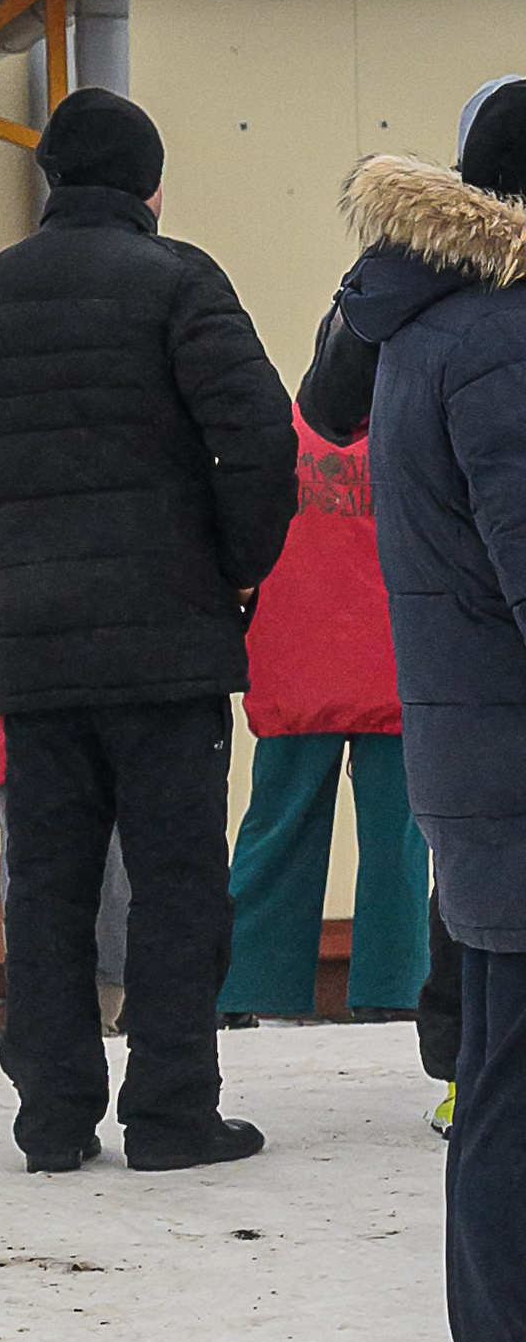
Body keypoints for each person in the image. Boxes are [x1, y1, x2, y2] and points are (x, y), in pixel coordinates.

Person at [0, 88, 297, 1172]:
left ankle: (51, 1115)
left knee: (45, 882)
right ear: (148, 185)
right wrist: (233, 573)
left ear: (50, 178)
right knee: (175, 881)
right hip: (166, 644)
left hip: (35, 645)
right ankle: (170, 1110)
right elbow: (260, 444)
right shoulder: (180, 282)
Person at [312, 77, 526, 1342]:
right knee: (512, 1094)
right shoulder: (503, 340)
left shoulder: (417, 326)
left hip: (477, 763)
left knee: (503, 1081)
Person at [218, 411, 427, 1028]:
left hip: (295, 659)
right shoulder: (407, 428)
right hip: (396, 660)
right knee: (400, 839)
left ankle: (252, 987)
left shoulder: (275, 434)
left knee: (279, 823)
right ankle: (392, 990)